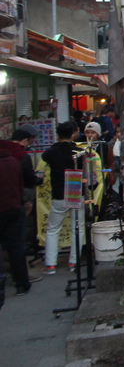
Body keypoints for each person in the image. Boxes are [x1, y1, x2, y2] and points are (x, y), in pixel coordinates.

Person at [0, 128, 41, 299]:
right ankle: (22, 284)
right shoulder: (15, 160)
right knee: (16, 247)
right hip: (14, 208)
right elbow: (22, 184)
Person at [42, 121, 86, 274]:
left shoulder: (51, 153)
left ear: (57, 134)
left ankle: (50, 264)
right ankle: (74, 262)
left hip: (58, 194)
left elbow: (45, 156)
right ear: (74, 133)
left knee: (53, 229)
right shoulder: (78, 152)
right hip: (75, 192)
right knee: (78, 228)